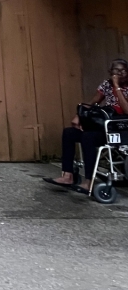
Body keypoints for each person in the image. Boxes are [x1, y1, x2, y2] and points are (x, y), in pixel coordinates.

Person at [45, 59, 128, 193]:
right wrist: (79, 115)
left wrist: (117, 86)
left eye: (123, 70)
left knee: (88, 137)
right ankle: (68, 175)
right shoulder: (107, 85)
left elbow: (126, 110)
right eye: (116, 71)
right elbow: (92, 102)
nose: (119, 73)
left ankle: (88, 181)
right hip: (104, 126)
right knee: (69, 133)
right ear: (110, 72)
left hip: (120, 129)